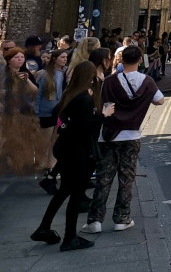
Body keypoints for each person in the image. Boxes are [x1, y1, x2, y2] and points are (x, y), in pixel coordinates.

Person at [81, 45, 164, 236]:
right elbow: (160, 101)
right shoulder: (148, 82)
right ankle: (122, 218)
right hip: (131, 136)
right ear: (140, 60)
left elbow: (99, 101)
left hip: (108, 134)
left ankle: (94, 220)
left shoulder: (109, 81)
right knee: (126, 178)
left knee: (104, 178)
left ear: (121, 60)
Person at [31, 62, 110, 252]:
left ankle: (43, 228)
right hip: (77, 153)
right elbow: (84, 129)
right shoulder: (84, 99)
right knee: (75, 195)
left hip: (65, 149)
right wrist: (102, 116)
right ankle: (70, 237)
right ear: (90, 77)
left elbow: (63, 120)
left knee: (64, 191)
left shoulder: (70, 94)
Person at [1, 47, 41, 175]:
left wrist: (27, 80)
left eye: (22, 57)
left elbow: (35, 91)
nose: (20, 60)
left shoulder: (25, 73)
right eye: (16, 57)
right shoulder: (3, 73)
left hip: (22, 112)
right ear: (8, 60)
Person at [35, 48, 69, 193]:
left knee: (55, 141)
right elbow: (38, 95)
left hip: (57, 112)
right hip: (45, 112)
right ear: (55, 59)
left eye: (66, 57)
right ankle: (45, 168)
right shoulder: (44, 75)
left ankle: (51, 169)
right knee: (45, 141)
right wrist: (35, 113)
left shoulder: (62, 74)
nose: (65, 59)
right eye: (62, 57)